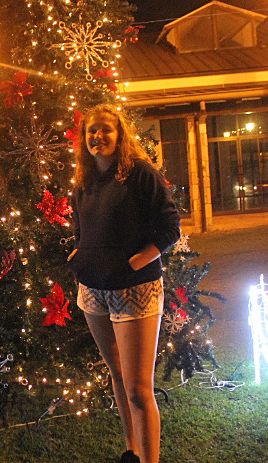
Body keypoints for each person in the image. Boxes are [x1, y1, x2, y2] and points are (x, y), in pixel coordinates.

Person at [67, 104, 180, 463]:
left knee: (137, 390)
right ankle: (130, 452)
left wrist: (136, 261)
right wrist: (78, 256)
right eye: (91, 132)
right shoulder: (83, 183)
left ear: (120, 134)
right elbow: (80, 230)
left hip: (135, 292)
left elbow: (170, 227)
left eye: (105, 130)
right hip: (93, 291)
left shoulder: (140, 174)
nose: (98, 137)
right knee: (116, 375)